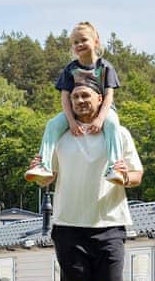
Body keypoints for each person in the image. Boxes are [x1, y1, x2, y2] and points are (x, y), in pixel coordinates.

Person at [27, 76, 143, 281]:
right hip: (68, 223)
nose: (80, 101)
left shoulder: (118, 134)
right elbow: (48, 177)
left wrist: (125, 177)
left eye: (86, 96)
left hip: (109, 221)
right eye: (75, 96)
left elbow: (137, 175)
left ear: (101, 99)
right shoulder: (60, 135)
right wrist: (38, 171)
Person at [25, 21, 126, 186]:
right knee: (52, 124)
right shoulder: (70, 69)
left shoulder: (105, 67)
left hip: (103, 110)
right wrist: (71, 121)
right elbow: (65, 97)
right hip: (75, 112)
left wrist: (100, 118)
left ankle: (115, 166)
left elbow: (109, 95)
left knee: (113, 124)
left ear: (96, 41)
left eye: (83, 40)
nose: (79, 44)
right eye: (75, 42)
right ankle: (43, 164)